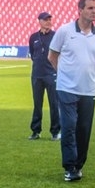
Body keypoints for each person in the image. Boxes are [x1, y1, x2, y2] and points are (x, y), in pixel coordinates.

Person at [48, 0, 95, 182]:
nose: (94, 11)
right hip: (66, 89)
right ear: (80, 10)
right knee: (69, 127)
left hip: (89, 90)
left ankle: (78, 165)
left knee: (83, 129)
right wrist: (64, 75)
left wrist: (86, 71)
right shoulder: (65, 31)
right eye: (90, 8)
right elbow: (52, 56)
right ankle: (69, 167)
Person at [28, 12, 60, 141]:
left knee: (54, 104)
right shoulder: (33, 37)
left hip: (51, 74)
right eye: (45, 19)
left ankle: (55, 132)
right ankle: (36, 131)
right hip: (37, 75)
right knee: (37, 104)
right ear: (39, 21)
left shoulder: (56, 36)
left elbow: (59, 53)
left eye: (49, 19)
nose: (48, 22)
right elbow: (33, 54)